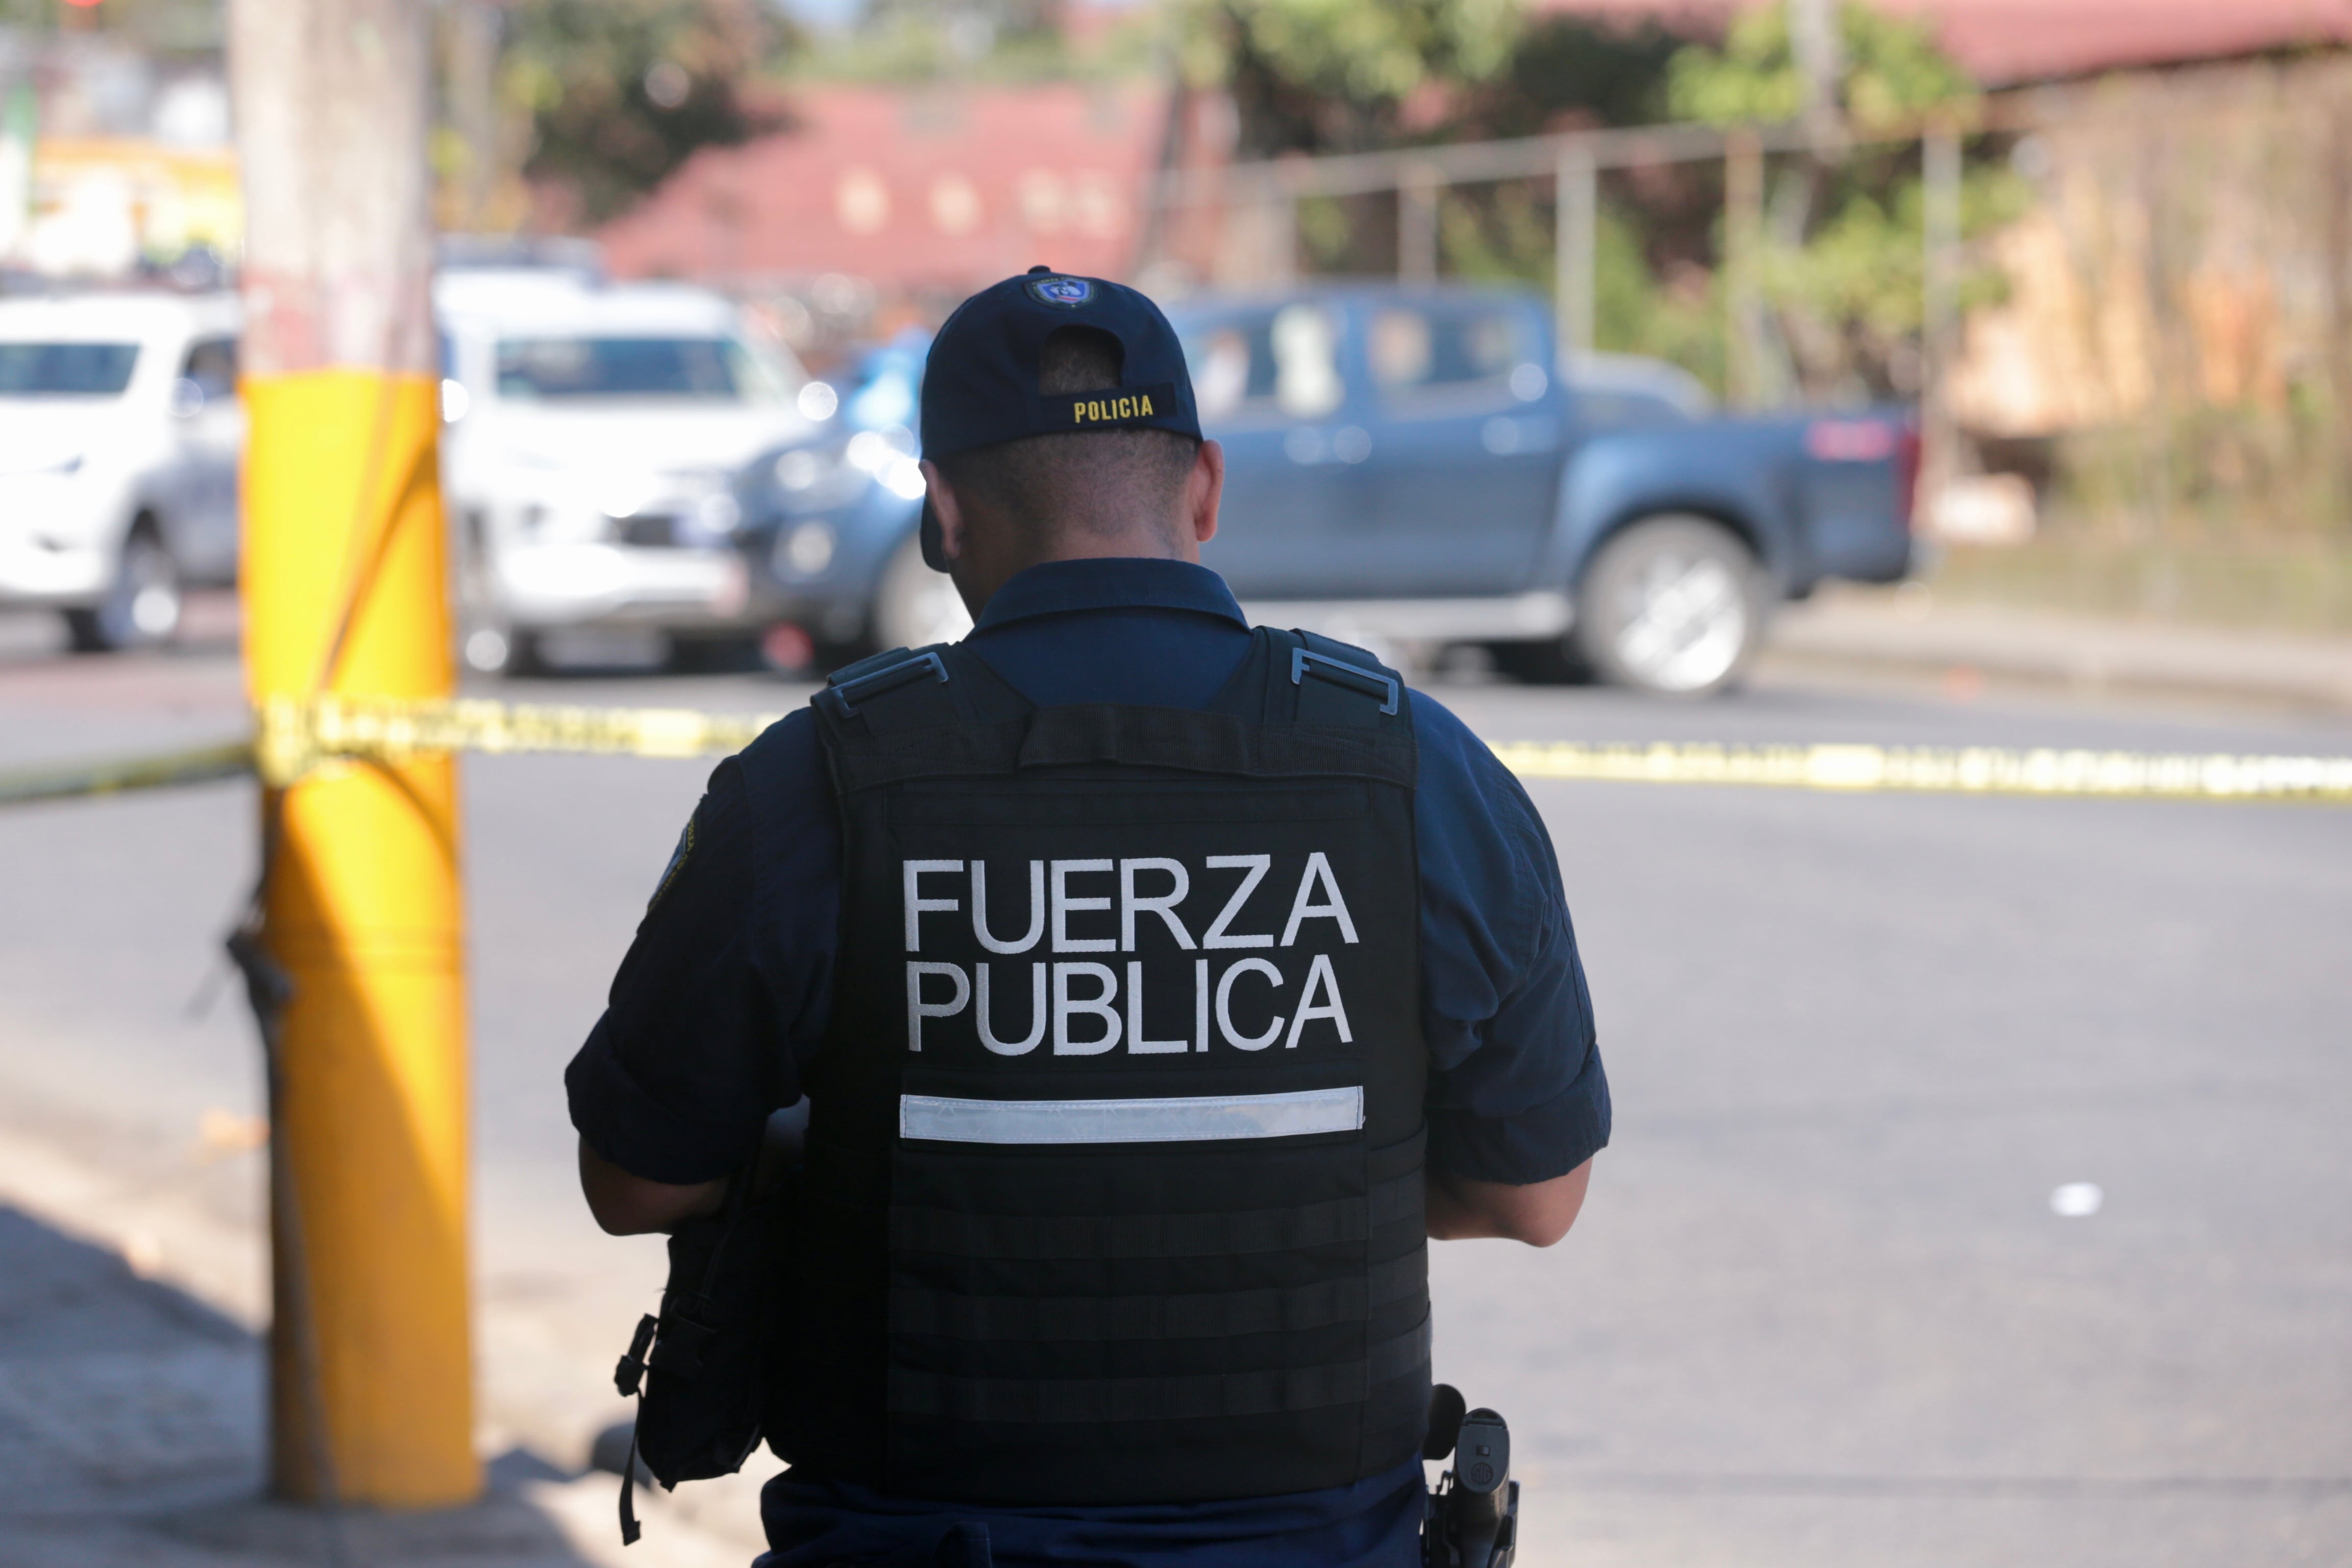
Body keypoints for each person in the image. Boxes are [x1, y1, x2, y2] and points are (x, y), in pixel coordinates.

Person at [566, 269, 1609, 1567]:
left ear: (943, 511)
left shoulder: (814, 785)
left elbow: (637, 1180)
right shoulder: (1415, 768)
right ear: (1206, 488)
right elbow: (1538, 1195)